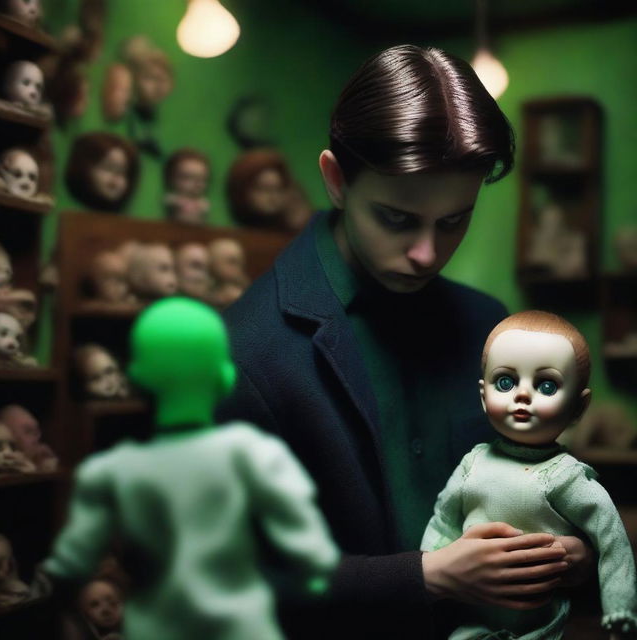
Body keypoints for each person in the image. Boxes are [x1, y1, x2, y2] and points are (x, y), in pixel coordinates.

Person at [217, 44, 592, 639]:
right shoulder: (245, 352)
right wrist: (427, 577)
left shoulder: (489, 327)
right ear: (336, 180)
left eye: (453, 221)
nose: (426, 254)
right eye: (397, 218)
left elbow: (525, 481)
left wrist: (569, 546)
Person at [43, 298, 339, 639]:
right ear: (223, 375)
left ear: (138, 378)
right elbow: (306, 541)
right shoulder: (254, 453)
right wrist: (313, 576)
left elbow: (72, 562)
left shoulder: (110, 471)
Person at [422, 310, 636, 639]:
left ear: (578, 408)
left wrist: (619, 606)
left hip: (537, 624)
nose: (523, 394)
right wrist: (427, 586)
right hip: (469, 616)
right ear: (483, 395)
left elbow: (612, 541)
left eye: (546, 385)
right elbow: (443, 520)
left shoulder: (565, 477)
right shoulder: (473, 463)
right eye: (505, 382)